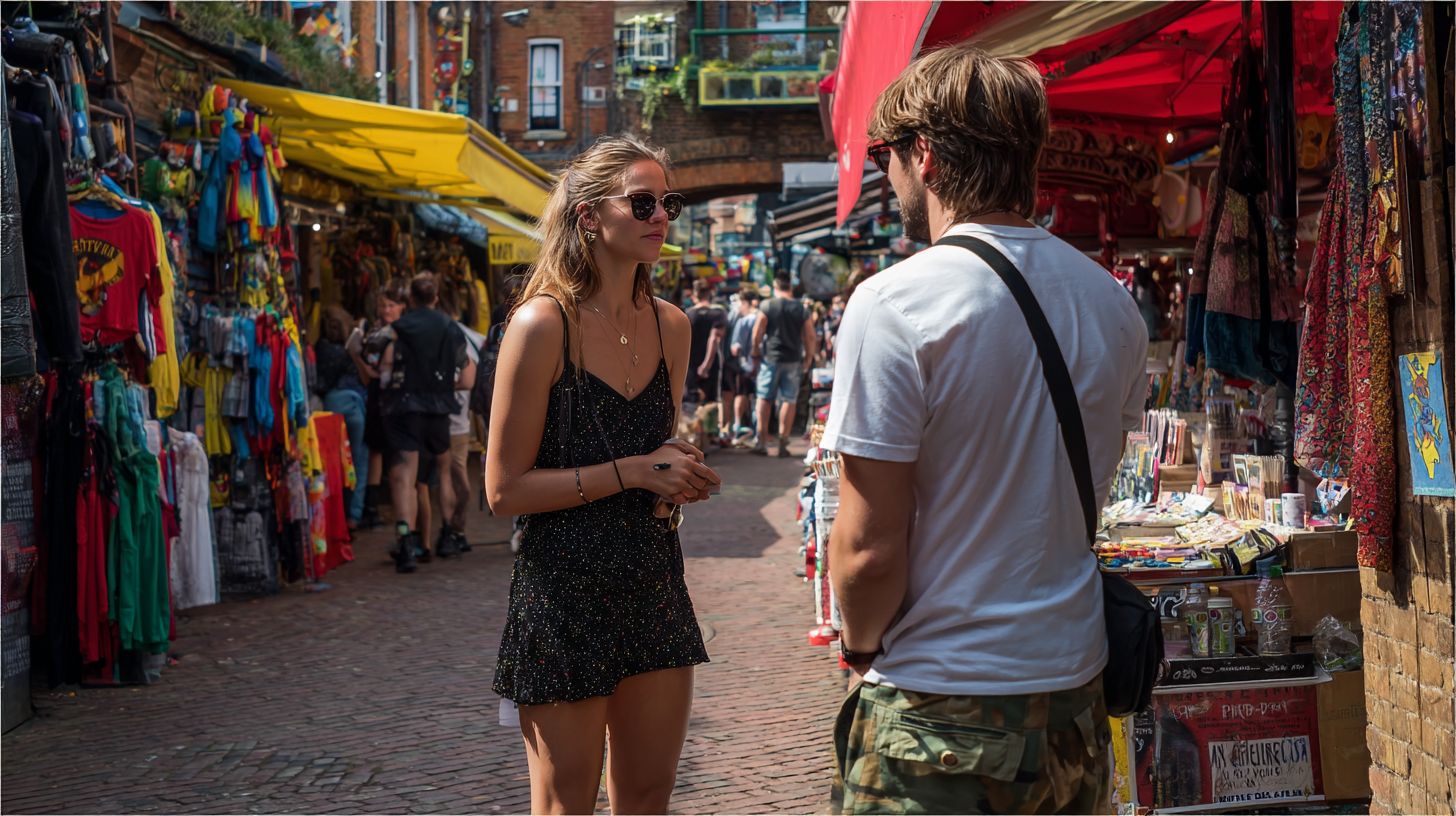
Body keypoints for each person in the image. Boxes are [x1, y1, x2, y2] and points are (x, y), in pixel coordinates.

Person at [822, 43, 1149, 815]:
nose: (886, 174)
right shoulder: (1110, 303)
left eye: (886, 155)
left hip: (941, 705)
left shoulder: (896, 303)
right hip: (1073, 695)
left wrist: (859, 647)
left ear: (925, 154)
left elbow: (868, 549)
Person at [486, 136, 721, 815]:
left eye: (668, 203)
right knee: (565, 803)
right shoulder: (541, 324)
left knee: (649, 795)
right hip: (562, 591)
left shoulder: (671, 325)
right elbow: (502, 492)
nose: (661, 216)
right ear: (589, 216)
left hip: (652, 580)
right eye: (642, 201)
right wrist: (634, 472)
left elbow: (658, 450)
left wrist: (679, 472)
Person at [378, 272, 476, 573]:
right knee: (444, 471)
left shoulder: (398, 328)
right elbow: (468, 376)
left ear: (410, 300)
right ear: (435, 298)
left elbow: (377, 358)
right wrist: (446, 386)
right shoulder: (450, 327)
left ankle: (406, 539)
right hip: (439, 408)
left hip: (407, 407)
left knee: (404, 474)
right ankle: (447, 534)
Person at [352, 280, 408, 529]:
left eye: (391, 305)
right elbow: (369, 374)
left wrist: (358, 359)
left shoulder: (404, 332)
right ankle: (372, 506)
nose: (386, 310)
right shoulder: (375, 332)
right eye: (382, 305)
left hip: (398, 399)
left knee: (397, 454)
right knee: (375, 450)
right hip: (377, 398)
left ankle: (402, 512)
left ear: (401, 307)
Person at [314, 305, 370, 529]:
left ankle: (333, 516)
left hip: (329, 406)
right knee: (358, 461)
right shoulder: (351, 351)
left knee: (333, 464)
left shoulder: (320, 348)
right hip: (354, 404)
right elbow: (365, 379)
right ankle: (353, 516)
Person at [751, 272, 816, 457]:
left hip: (770, 358)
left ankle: (761, 441)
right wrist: (809, 357)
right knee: (789, 399)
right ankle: (783, 442)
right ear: (790, 287)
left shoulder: (767, 305)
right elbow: (810, 335)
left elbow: (758, 331)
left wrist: (755, 351)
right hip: (793, 359)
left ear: (775, 286)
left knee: (764, 397)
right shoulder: (801, 309)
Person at [444, 288, 487, 553]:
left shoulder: (464, 339)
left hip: (452, 421)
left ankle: (452, 529)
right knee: (449, 478)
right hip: (455, 422)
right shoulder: (471, 339)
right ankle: (451, 530)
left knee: (450, 479)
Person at [685, 279, 728, 441]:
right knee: (709, 402)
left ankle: (694, 438)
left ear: (694, 295)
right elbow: (715, 339)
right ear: (709, 294)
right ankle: (705, 439)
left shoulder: (688, 314)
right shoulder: (718, 313)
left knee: (691, 401)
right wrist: (707, 364)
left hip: (690, 363)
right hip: (711, 364)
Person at [725, 287, 760, 442]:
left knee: (742, 394)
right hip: (763, 365)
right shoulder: (762, 317)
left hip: (746, 365)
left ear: (745, 302)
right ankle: (759, 432)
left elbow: (735, 348)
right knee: (760, 399)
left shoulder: (743, 321)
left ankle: (738, 427)